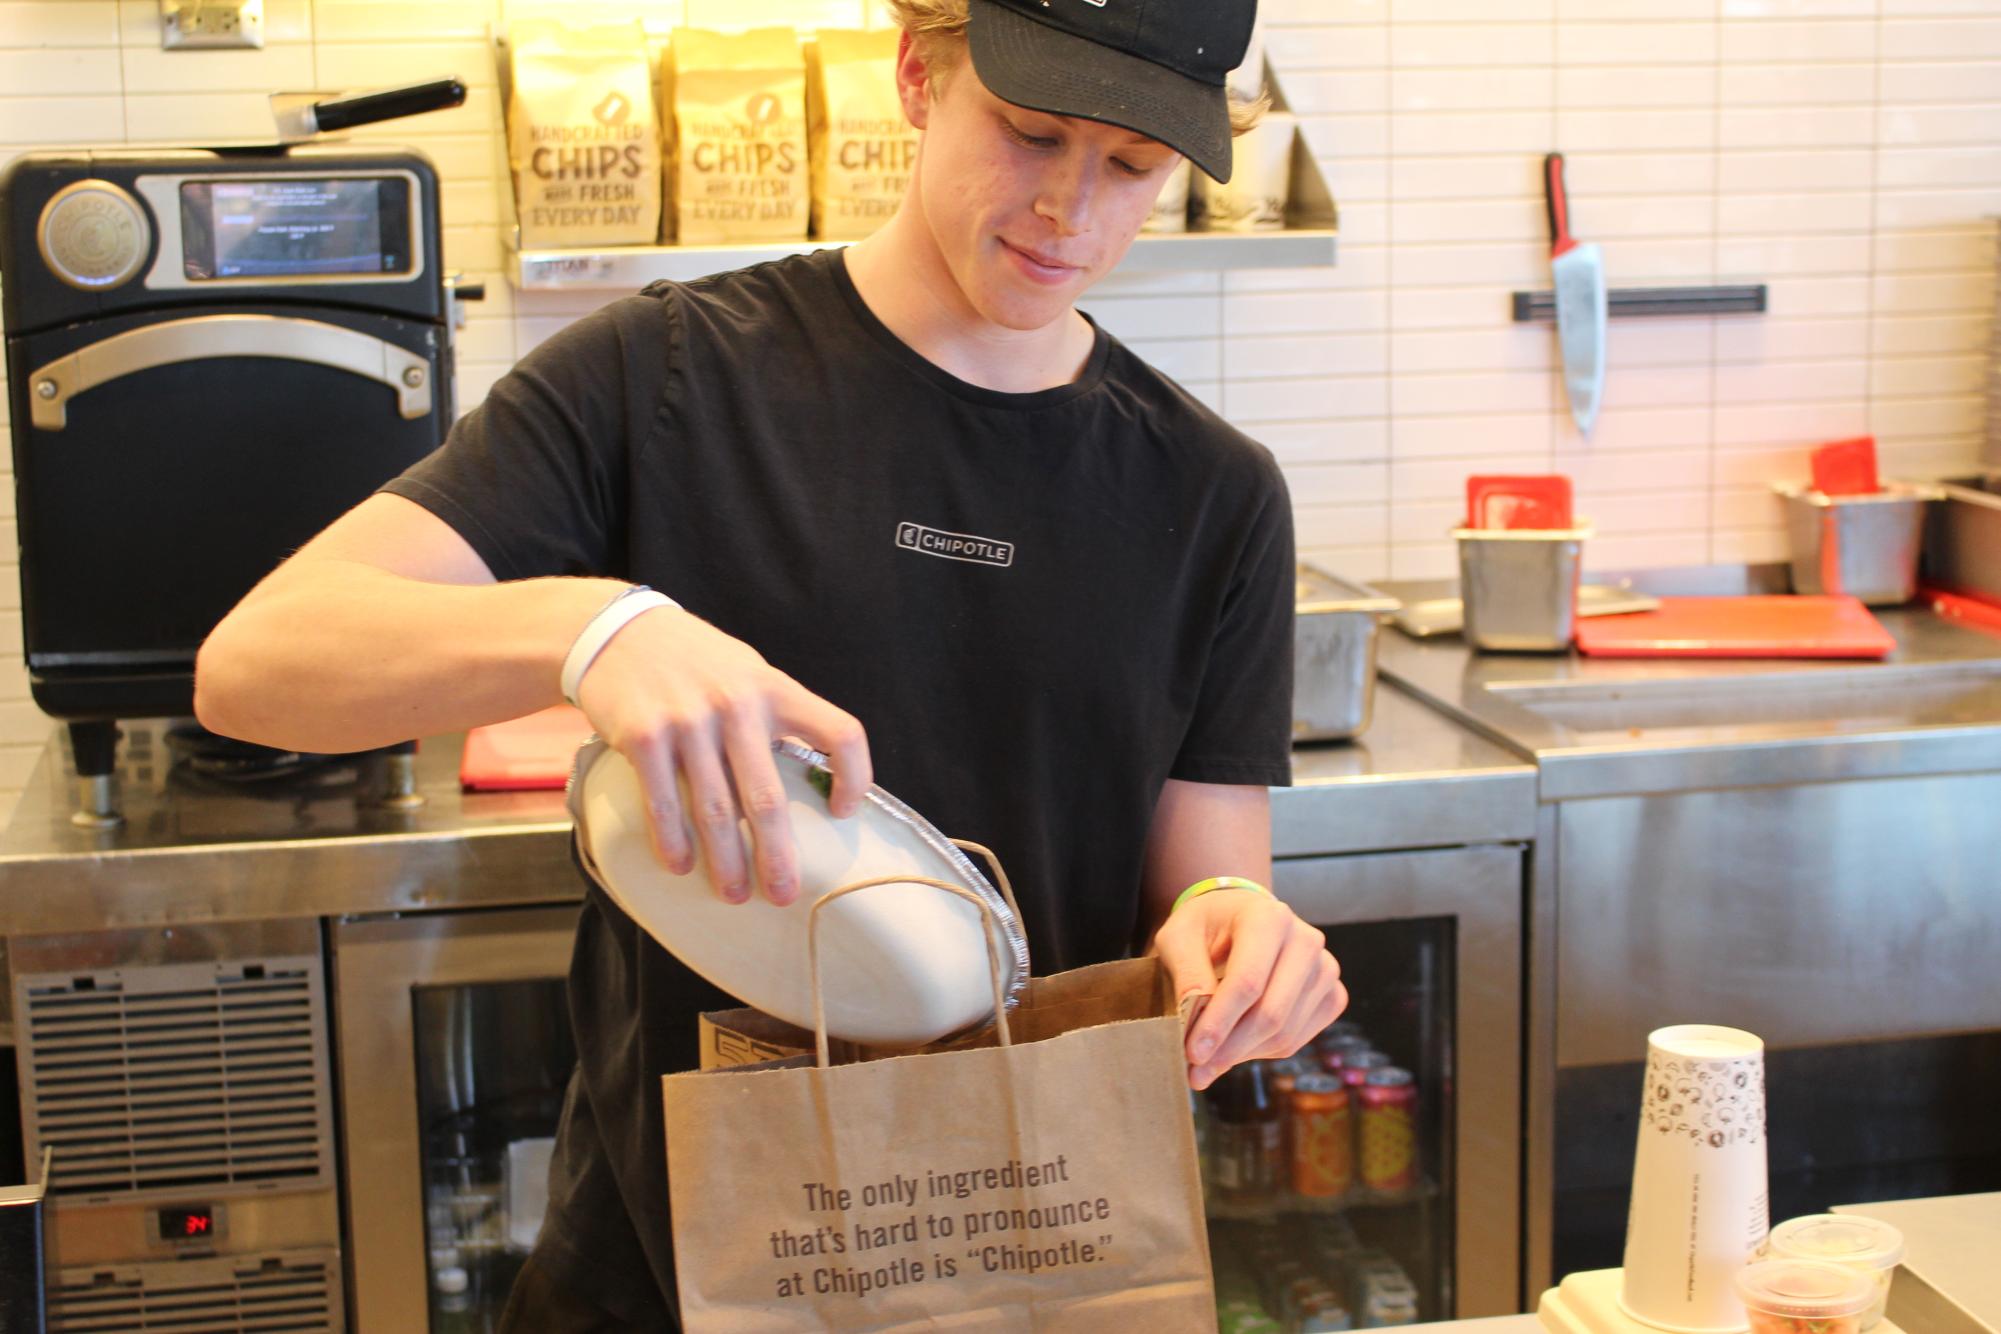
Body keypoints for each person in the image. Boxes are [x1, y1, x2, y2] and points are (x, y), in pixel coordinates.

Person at [195, 0, 1348, 1325]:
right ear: (919, 75)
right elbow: (255, 661)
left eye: (1132, 166)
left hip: (1019, 1250)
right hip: (671, 1259)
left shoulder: (1212, 494)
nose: (1072, 212)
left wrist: (1238, 938)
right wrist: (595, 629)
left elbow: (1201, 882)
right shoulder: (664, 379)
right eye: (1032, 135)